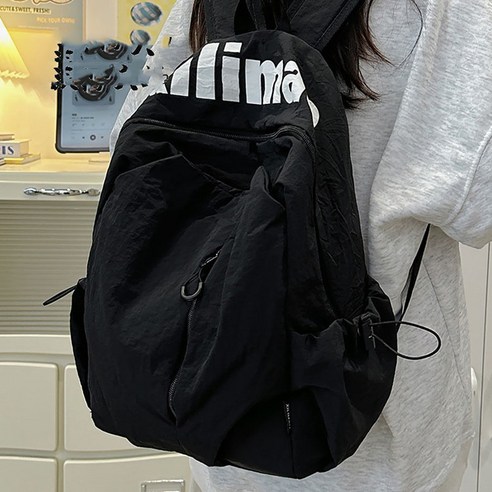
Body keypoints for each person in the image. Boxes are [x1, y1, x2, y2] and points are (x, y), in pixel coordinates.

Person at [111, 0, 492, 490]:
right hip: (379, 434)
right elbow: (478, 210)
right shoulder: (443, 9)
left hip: (215, 399)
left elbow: (128, 144)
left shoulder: (202, 4)